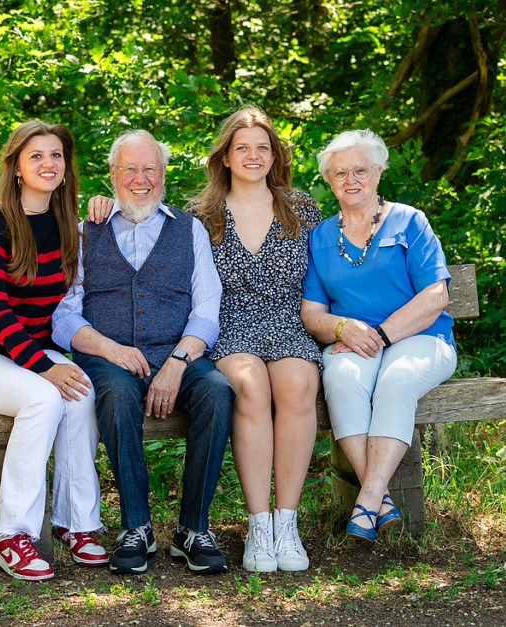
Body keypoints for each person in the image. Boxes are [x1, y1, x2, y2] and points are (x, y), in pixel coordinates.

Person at [51, 130, 234, 576]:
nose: (140, 178)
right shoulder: (83, 231)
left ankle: (193, 529)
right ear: (113, 175)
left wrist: (178, 361)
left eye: (149, 168)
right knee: (114, 393)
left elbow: (208, 308)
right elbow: (63, 316)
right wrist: (109, 349)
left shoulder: (188, 230)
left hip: (177, 354)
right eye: (129, 169)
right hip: (106, 356)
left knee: (217, 392)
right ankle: (137, 528)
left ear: (163, 174)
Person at [0, 120, 107, 581]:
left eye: (56, 155)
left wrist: (104, 206)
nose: (48, 164)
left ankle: (78, 523)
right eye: (36, 156)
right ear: (15, 167)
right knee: (46, 395)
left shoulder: (69, 225)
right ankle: (10, 534)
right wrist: (45, 367)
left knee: (82, 391)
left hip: (19, 358)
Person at [300, 129, 457, 543]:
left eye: (361, 170)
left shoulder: (409, 221)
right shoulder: (320, 237)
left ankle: (367, 499)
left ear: (379, 172)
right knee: (341, 379)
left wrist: (382, 336)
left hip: (421, 338)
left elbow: (436, 295)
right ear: (329, 181)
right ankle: (380, 502)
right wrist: (341, 328)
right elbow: (311, 313)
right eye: (340, 173)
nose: (351, 180)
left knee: (396, 381)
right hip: (352, 342)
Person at [191, 107, 321, 572]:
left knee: (298, 386)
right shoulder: (199, 215)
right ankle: (258, 525)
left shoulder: (301, 208)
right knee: (250, 385)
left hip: (289, 321)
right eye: (242, 147)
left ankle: (287, 524)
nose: (253, 155)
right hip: (228, 324)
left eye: (262, 148)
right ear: (224, 156)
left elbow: (327, 276)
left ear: (274, 156)